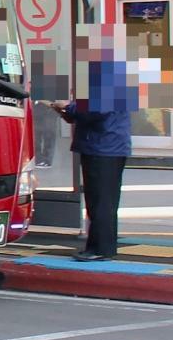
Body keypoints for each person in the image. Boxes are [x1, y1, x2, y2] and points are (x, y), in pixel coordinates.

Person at [51, 51, 139, 261]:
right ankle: (98, 247)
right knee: (103, 201)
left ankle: (100, 249)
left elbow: (91, 112)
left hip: (102, 148)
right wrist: (68, 111)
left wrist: (66, 107)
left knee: (100, 201)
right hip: (109, 147)